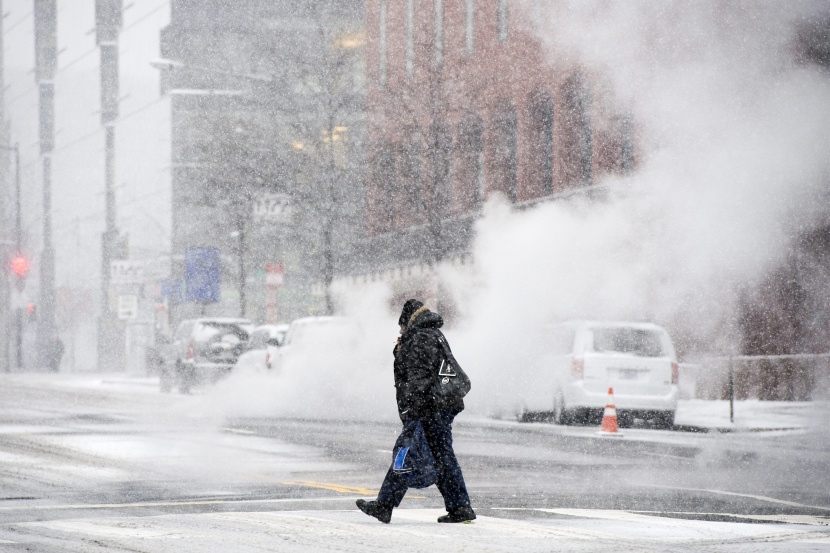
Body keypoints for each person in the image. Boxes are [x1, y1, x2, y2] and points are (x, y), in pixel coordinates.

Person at [356, 299, 475, 524]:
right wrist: (401, 349)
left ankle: (384, 505)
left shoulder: (421, 337)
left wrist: (414, 409)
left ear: (408, 320)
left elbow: (420, 377)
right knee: (440, 457)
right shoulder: (432, 334)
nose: (400, 330)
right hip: (439, 406)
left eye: (401, 326)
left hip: (429, 408)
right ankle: (460, 507)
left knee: (407, 453)